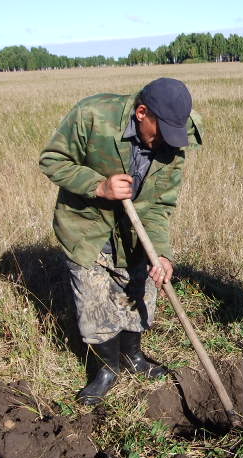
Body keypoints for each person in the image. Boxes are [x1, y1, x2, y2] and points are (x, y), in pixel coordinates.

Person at [39, 78, 202, 405]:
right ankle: (106, 370)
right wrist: (99, 186)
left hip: (135, 237)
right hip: (87, 232)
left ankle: (133, 357)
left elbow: (158, 206)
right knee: (95, 308)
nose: (165, 145)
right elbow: (52, 160)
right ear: (142, 112)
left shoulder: (175, 139)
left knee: (137, 300)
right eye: (161, 134)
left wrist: (162, 254)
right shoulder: (93, 114)